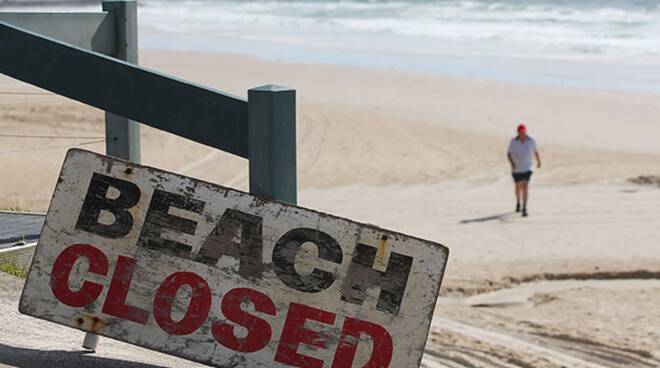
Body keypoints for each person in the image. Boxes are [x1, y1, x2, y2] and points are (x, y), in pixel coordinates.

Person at [507, 124, 541, 217]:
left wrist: (538, 161)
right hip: (517, 169)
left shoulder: (530, 141)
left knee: (525, 186)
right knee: (518, 187)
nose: (522, 134)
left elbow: (535, 151)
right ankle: (518, 202)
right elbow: (508, 154)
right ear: (518, 132)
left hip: (527, 167)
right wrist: (512, 163)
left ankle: (525, 208)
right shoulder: (513, 142)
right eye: (521, 132)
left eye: (524, 132)